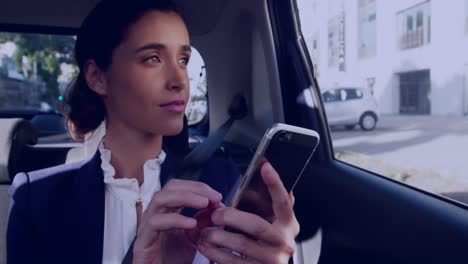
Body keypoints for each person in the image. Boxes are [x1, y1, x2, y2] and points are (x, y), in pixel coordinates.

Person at [7, 0, 300, 263]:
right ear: (98, 78)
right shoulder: (37, 199)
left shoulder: (223, 181)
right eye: (153, 59)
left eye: (183, 60)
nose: (179, 80)